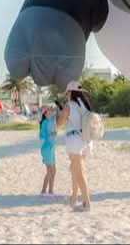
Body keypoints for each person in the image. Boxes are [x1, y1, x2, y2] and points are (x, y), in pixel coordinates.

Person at [57, 81, 93, 212]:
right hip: (86, 141)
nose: (66, 95)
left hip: (74, 140)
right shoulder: (85, 105)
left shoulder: (69, 105)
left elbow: (58, 123)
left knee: (79, 171)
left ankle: (86, 203)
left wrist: (60, 113)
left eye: (67, 93)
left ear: (71, 92)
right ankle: (73, 198)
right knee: (74, 169)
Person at [39, 105, 59, 197]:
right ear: (45, 113)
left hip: (52, 148)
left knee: (54, 171)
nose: (51, 111)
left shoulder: (52, 120)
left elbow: (57, 111)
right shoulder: (44, 122)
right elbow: (41, 135)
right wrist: (49, 134)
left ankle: (50, 191)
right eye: (49, 110)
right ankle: (43, 191)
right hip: (46, 148)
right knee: (50, 171)